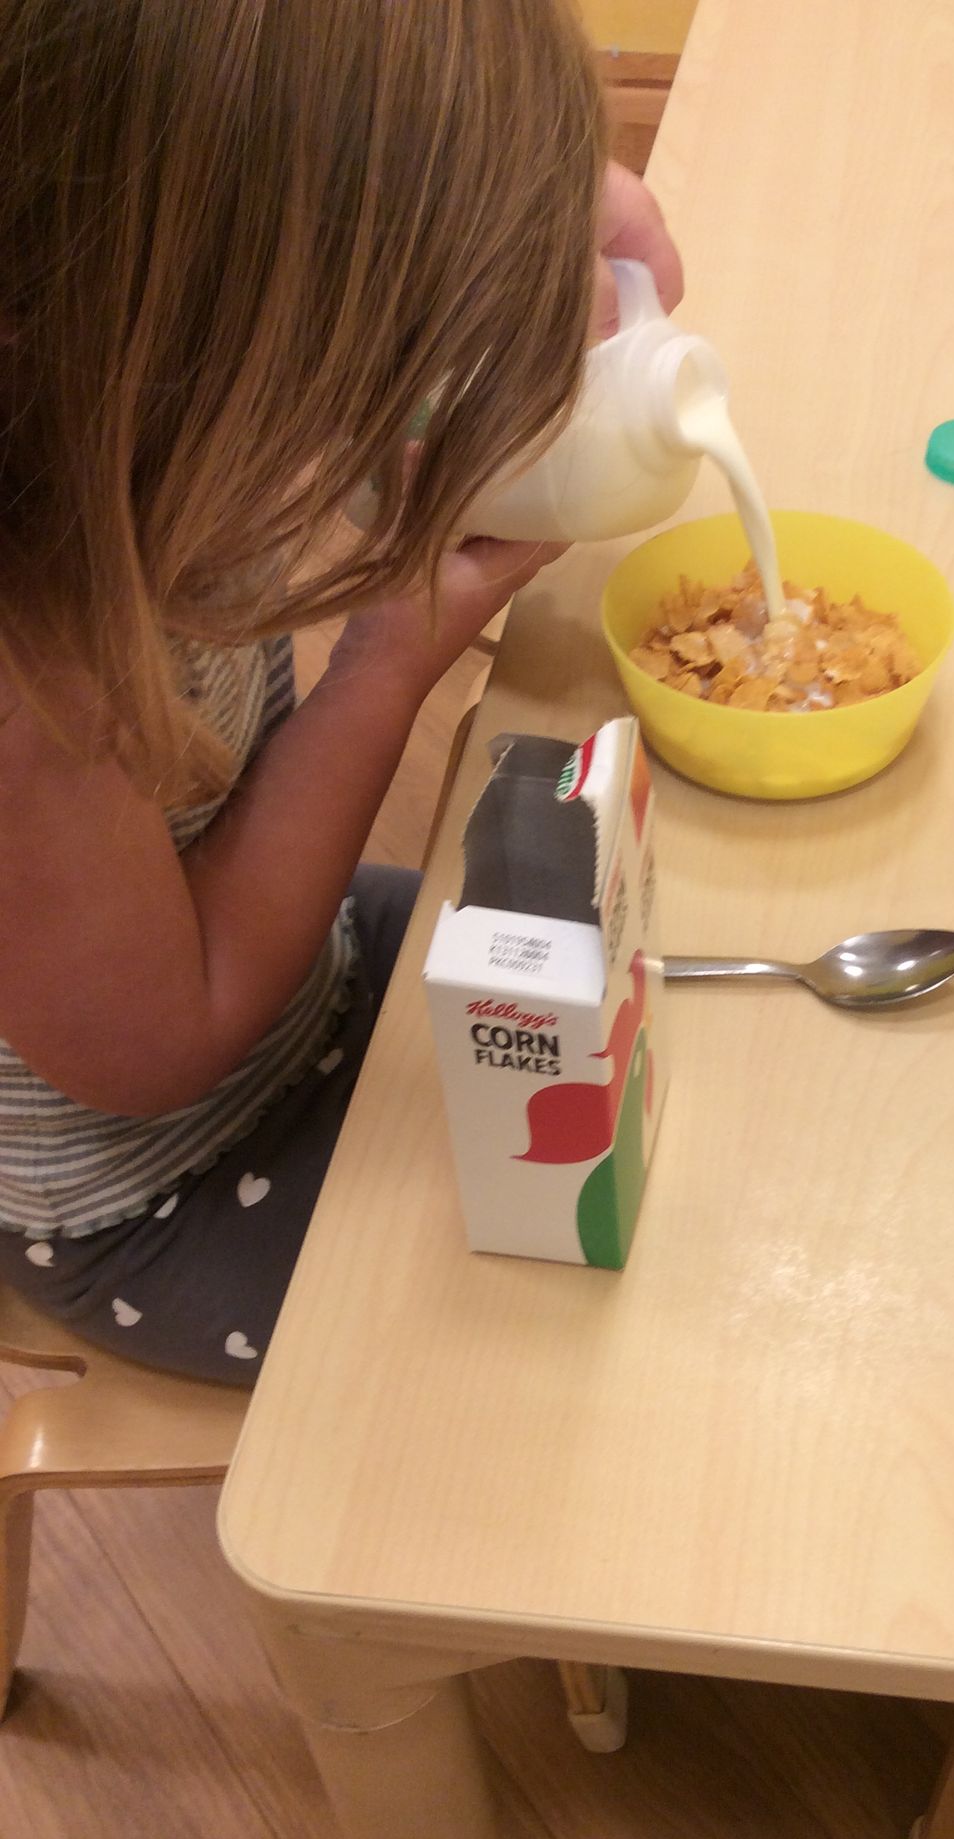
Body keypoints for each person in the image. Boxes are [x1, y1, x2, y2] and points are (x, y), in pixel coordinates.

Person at [0, 0, 683, 1384]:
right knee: (613, 1333)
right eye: (376, 381)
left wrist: (546, 199)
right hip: (163, 1186)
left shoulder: (131, 390)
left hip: (310, 985)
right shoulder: (36, 675)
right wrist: (393, 654)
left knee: (675, 1026)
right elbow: (165, 1042)